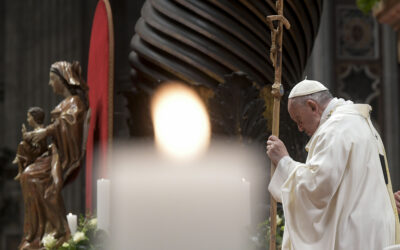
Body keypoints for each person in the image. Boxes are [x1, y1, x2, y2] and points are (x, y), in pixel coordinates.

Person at [266, 79, 400, 250]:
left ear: (313, 106)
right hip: (370, 229)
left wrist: (284, 161)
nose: (300, 128)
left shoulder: (336, 128)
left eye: (299, 120)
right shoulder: (356, 121)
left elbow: (318, 187)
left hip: (354, 234)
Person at [18, 61, 89, 250]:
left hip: (64, 155)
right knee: (28, 176)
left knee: (46, 187)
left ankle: (57, 231)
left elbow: (70, 124)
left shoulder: (75, 102)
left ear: (62, 80)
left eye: (52, 79)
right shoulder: (64, 104)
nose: (50, 84)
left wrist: (47, 131)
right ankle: (36, 232)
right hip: (55, 152)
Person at [13, 107, 47, 180]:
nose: (27, 120)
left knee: (22, 145)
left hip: (39, 152)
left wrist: (25, 135)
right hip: (35, 149)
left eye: (29, 117)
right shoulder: (37, 130)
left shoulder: (41, 130)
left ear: (35, 118)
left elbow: (33, 138)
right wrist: (25, 135)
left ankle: (19, 160)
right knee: (22, 144)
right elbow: (30, 138)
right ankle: (20, 163)